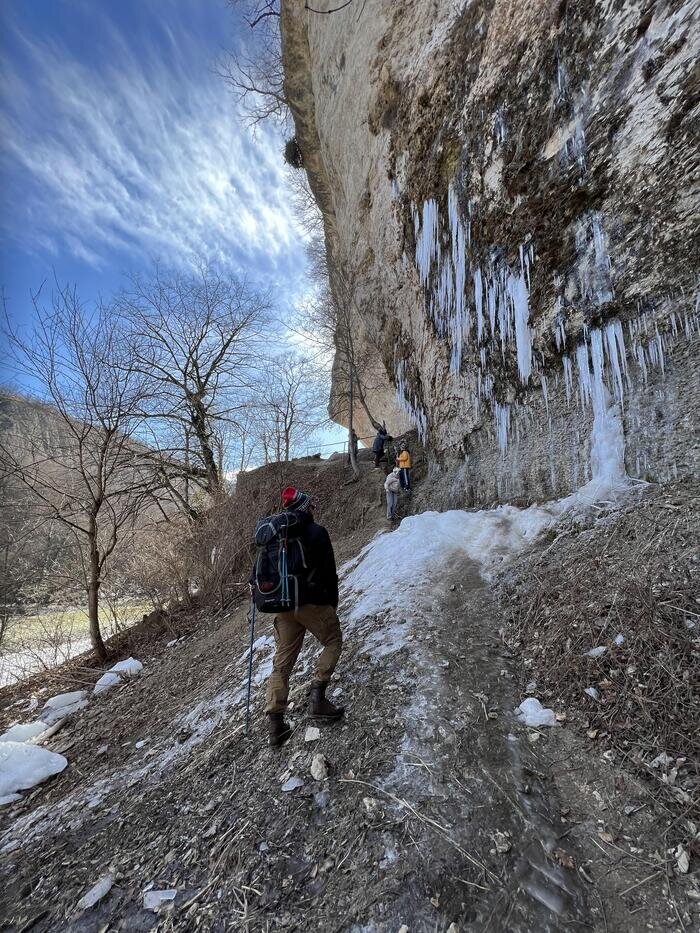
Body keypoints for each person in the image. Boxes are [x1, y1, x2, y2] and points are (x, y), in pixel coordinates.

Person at [253, 486, 344, 748]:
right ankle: (317, 697)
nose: (314, 509)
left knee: (282, 664)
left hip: (282, 605)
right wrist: (331, 604)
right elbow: (329, 573)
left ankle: (276, 725)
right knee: (333, 641)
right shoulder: (316, 531)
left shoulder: (272, 535)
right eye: (311, 506)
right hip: (311, 602)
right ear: (305, 507)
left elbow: (256, 576)